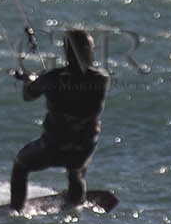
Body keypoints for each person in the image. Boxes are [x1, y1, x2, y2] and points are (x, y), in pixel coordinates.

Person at [10, 29, 110, 209]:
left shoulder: (51, 78)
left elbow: (28, 95)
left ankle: (16, 210)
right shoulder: (101, 78)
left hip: (53, 146)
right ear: (87, 51)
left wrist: (29, 80)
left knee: (20, 165)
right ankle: (75, 203)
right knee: (76, 170)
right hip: (83, 147)